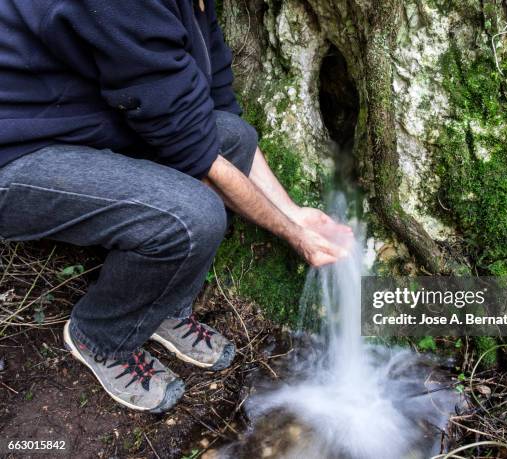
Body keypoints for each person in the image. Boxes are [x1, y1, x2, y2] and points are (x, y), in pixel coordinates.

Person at [0, 0, 351, 413]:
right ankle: (101, 338)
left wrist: (293, 211)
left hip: (67, 119)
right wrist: (291, 232)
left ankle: (157, 309)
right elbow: (198, 156)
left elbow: (215, 113)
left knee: (231, 135)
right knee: (192, 217)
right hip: (17, 152)